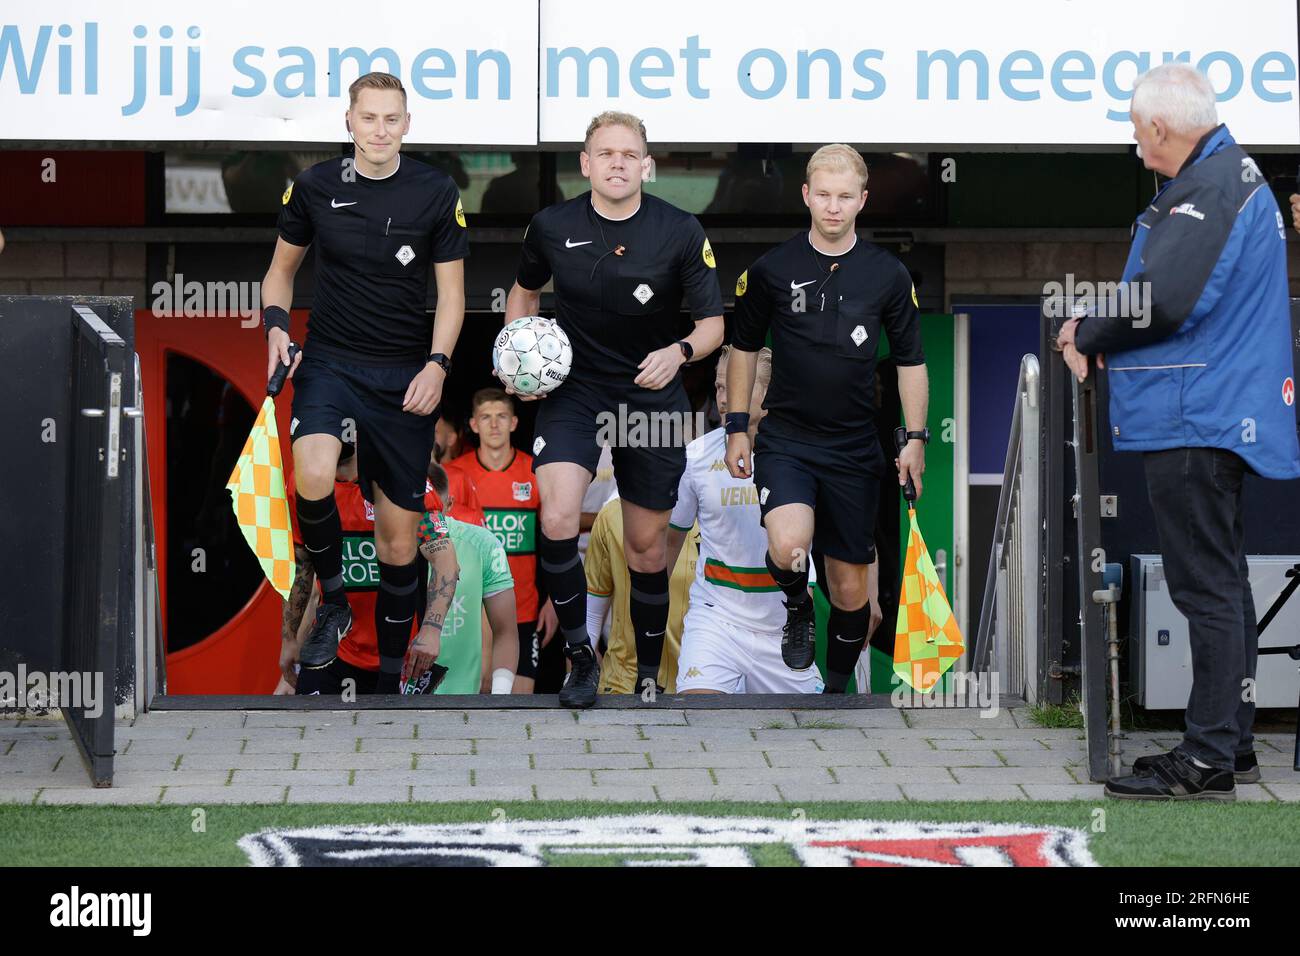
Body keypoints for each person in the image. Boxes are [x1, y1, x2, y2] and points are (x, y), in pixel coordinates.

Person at [1057, 64, 1300, 801]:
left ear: (1162, 128)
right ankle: (1230, 744)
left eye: (1138, 136)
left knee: (1206, 589)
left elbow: (1160, 300)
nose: (1138, 149)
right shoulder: (1226, 177)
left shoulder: (1211, 185)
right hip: (1210, 407)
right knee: (1219, 584)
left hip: (1200, 411)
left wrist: (1086, 329)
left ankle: (1206, 760)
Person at [503, 110, 724, 707]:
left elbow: (712, 326)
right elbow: (523, 293)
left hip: (652, 394)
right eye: (606, 154)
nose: (618, 163)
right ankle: (579, 658)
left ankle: (648, 674)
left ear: (646, 165)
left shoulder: (680, 230)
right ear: (586, 163)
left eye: (630, 155)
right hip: (576, 390)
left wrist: (678, 353)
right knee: (555, 519)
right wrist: (517, 361)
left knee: (646, 547)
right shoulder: (551, 226)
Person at [261, 71, 468, 693]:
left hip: (405, 374)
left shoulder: (435, 191)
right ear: (348, 122)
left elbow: (453, 296)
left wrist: (438, 365)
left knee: (398, 545)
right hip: (329, 360)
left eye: (391, 118)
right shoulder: (315, 186)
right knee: (315, 474)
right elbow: (279, 273)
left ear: (407, 124)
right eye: (368, 117)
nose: (379, 129)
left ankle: (388, 684)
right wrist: (275, 326)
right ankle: (333, 600)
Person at [726, 143, 928, 694]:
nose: (833, 206)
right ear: (806, 196)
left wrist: (915, 438)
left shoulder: (887, 274)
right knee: (789, 542)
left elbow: (911, 360)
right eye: (823, 195)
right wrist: (738, 425)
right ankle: (796, 605)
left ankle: (834, 696)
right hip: (787, 440)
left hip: (855, 449)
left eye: (845, 196)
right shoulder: (771, 269)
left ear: (863, 200)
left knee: (850, 593)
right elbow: (742, 349)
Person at [669, 346, 884, 694]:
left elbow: (853, 531)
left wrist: (869, 594)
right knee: (700, 720)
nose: (724, 399)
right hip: (717, 621)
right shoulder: (695, 457)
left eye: (735, 386)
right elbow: (670, 541)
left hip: (786, 629)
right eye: (720, 387)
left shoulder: (808, 459)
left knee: (810, 733)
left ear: (768, 392)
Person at [278, 445, 459, 695]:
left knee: (389, 734)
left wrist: (431, 629)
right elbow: (303, 569)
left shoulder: (403, 479)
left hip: (400, 659)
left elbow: (445, 561)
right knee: (308, 730)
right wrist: (290, 640)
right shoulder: (303, 481)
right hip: (332, 652)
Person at [453, 387, 556, 692]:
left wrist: (553, 600)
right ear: (473, 424)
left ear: (514, 423)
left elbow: (555, 540)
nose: (494, 425)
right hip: (471, 611)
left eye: (501, 416)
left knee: (520, 700)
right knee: (479, 695)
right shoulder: (455, 473)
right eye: (485, 417)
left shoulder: (535, 472)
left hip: (523, 610)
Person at [419, 464, 519, 695]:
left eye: (433, 511)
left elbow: (505, 630)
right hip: (393, 700)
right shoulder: (381, 543)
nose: (426, 522)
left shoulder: (483, 543)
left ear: (449, 505)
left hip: (461, 700)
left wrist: (499, 698)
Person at [584, 496, 698, 694]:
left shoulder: (717, 514)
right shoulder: (613, 514)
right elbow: (591, 610)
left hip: (699, 683)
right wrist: (578, 673)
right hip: (623, 683)